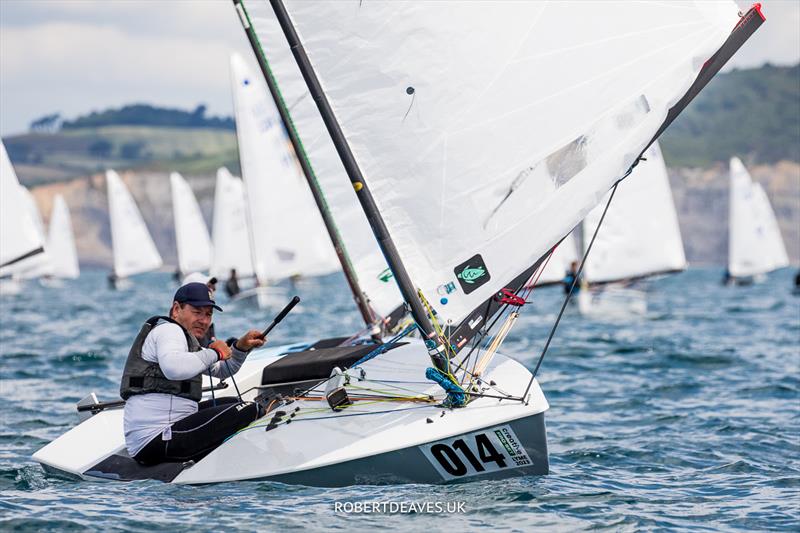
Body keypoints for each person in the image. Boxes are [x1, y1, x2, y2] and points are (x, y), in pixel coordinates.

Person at [120, 282, 266, 466]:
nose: (204, 321)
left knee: (235, 403)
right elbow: (174, 369)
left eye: (208, 314)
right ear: (176, 309)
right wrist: (216, 353)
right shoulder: (169, 331)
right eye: (197, 312)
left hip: (166, 433)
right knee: (249, 409)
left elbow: (221, 370)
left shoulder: (186, 340)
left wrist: (240, 348)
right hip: (156, 440)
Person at [180, 273, 219, 346]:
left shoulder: (207, 325)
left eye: (212, 288)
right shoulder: (177, 334)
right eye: (207, 287)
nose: (211, 292)